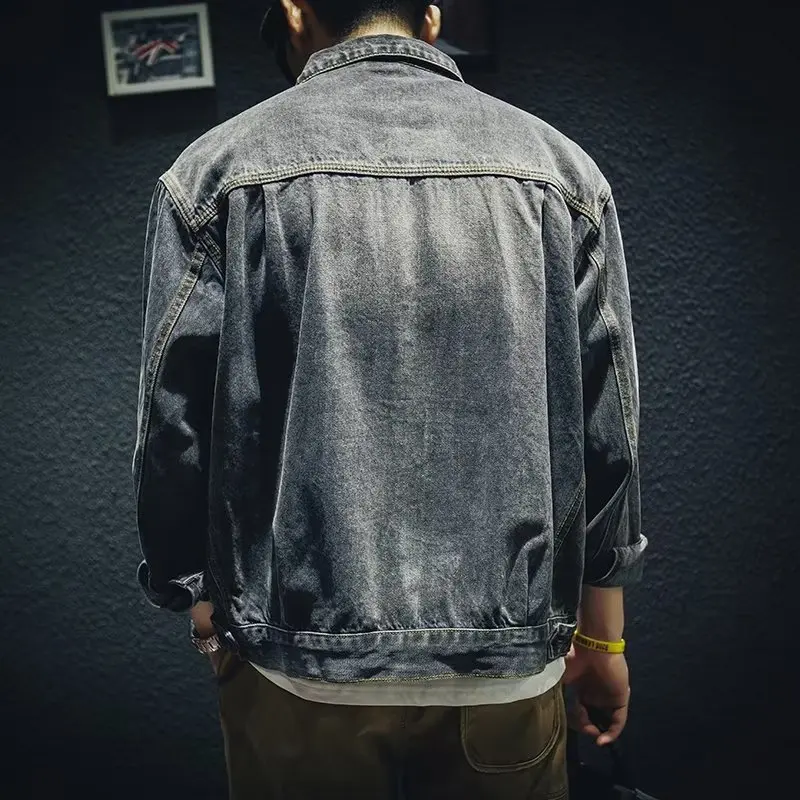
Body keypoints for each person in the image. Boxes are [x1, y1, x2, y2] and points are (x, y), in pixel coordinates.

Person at [132, 1, 648, 797]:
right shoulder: (563, 174)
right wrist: (604, 641)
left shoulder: (213, 175)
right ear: (431, 19)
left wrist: (195, 596)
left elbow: (174, 428)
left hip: (295, 663)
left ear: (294, 13)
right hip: (505, 666)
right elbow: (606, 429)